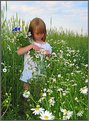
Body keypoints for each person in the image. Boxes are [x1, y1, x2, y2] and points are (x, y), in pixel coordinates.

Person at [17, 17, 52, 95]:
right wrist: (31, 46)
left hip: (40, 73)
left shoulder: (47, 45)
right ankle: (26, 106)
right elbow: (19, 52)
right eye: (37, 33)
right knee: (26, 93)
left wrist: (48, 54)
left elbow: (49, 59)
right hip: (27, 72)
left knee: (38, 93)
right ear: (31, 32)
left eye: (42, 33)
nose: (40, 35)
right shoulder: (28, 42)